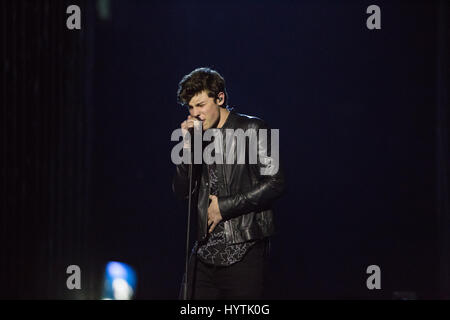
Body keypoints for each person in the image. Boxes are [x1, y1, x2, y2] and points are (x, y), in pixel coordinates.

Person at [173, 67, 285, 300]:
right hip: (204, 253)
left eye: (201, 105)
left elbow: (276, 182)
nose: (195, 114)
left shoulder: (254, 128)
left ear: (220, 98)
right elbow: (181, 190)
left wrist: (224, 206)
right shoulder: (197, 139)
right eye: (190, 108)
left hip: (244, 249)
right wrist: (186, 147)